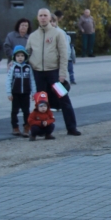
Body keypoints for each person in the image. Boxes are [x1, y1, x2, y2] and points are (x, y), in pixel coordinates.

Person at [26, 8, 81, 136]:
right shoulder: (33, 36)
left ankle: (71, 127)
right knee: (41, 102)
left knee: (64, 99)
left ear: (50, 18)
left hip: (54, 73)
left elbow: (63, 54)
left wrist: (62, 73)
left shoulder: (57, 34)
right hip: (38, 72)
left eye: (45, 15)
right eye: (41, 15)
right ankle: (42, 129)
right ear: (37, 18)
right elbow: (27, 52)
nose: (43, 18)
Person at [7, 45, 36, 137]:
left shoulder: (28, 67)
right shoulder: (13, 68)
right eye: (18, 56)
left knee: (26, 111)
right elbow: (8, 81)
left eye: (22, 56)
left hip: (25, 93)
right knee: (14, 111)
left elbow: (32, 80)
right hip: (15, 93)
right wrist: (9, 93)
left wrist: (33, 93)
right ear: (14, 57)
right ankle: (15, 127)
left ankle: (27, 127)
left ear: (25, 57)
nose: (20, 58)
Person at [50, 14, 77, 85]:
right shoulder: (42, 33)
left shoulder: (61, 33)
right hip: (48, 64)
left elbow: (66, 48)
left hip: (58, 61)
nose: (52, 23)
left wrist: (66, 59)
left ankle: (62, 95)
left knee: (58, 85)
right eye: (50, 21)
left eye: (53, 21)